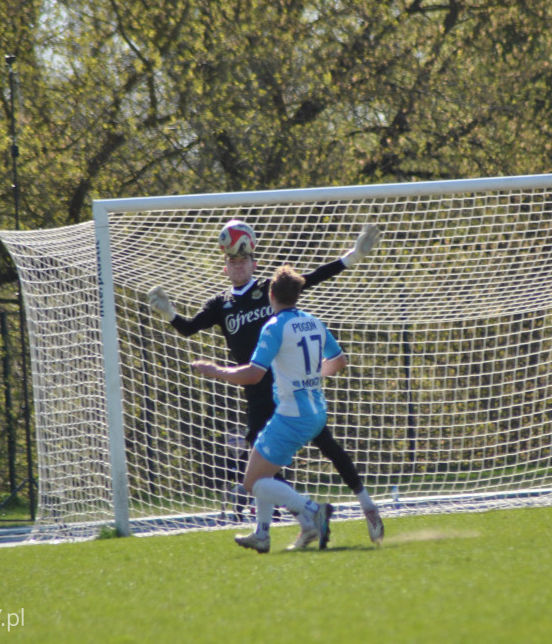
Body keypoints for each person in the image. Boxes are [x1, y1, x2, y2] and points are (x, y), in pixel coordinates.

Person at [148, 221, 385, 547]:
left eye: (243, 261)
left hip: (284, 389)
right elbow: (189, 328)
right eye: (232, 262)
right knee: (263, 464)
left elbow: (312, 277)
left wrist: (352, 257)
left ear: (254, 263)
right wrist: (170, 315)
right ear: (226, 266)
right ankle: (292, 525)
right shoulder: (221, 304)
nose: (238, 266)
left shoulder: (268, 292)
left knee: (321, 450)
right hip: (257, 394)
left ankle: (344, 509)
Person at [192, 265, 346, 553]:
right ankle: (263, 533)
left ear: (271, 295)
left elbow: (253, 374)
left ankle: (313, 511)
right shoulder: (313, 321)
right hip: (316, 412)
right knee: (261, 468)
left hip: (292, 415)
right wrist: (311, 375)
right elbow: (339, 361)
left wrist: (213, 370)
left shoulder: (274, 326)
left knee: (253, 483)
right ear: (297, 294)